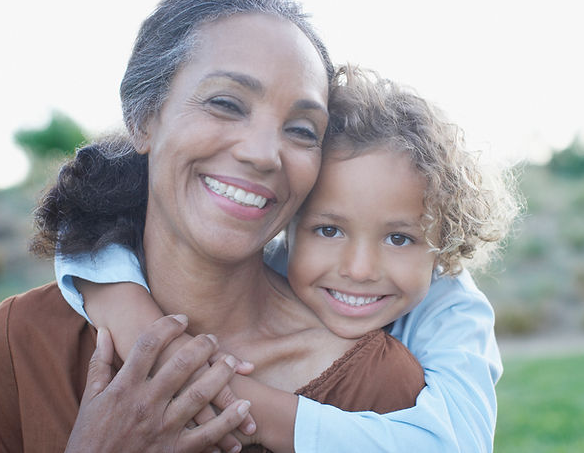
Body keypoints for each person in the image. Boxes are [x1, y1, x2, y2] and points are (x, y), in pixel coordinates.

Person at [63, 65, 518, 453]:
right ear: (286, 218)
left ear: (446, 244)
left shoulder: (453, 307)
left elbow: (455, 443)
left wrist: (225, 395)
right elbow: (85, 230)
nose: (359, 269)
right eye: (329, 230)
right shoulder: (271, 265)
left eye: (399, 239)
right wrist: (128, 313)